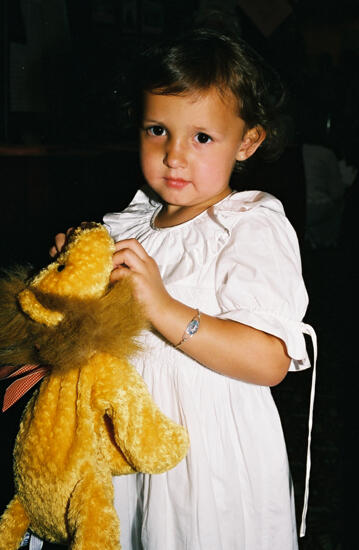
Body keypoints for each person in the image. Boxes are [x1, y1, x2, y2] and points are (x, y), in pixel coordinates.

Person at [47, 28, 316, 550]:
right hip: (122, 442)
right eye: (157, 130)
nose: (174, 155)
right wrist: (70, 283)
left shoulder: (248, 225)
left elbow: (269, 362)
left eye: (201, 137)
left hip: (207, 458)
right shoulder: (126, 226)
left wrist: (166, 309)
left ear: (248, 141)